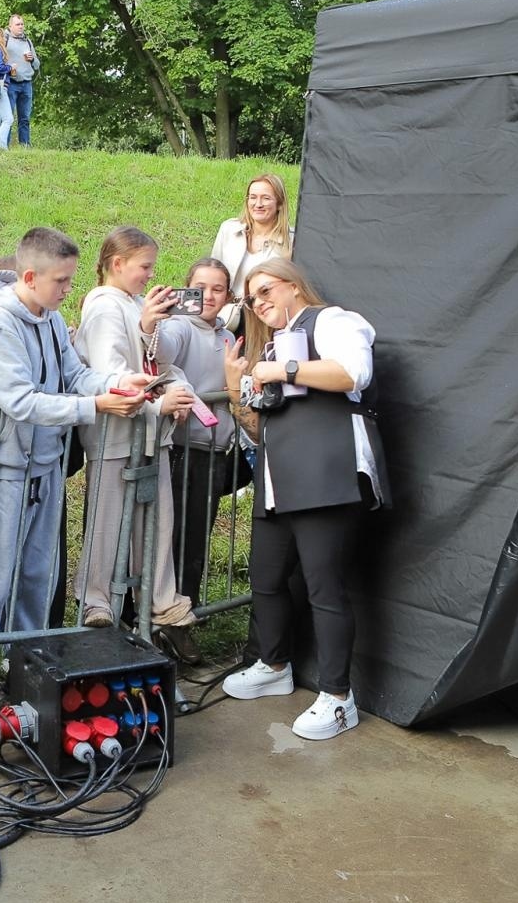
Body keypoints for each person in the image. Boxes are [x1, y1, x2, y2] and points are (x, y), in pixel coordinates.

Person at [0, 228, 149, 717]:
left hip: (45, 466)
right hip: (5, 470)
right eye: (61, 281)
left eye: (70, 280)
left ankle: (25, 668)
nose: (68, 290)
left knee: (39, 576)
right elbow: (19, 401)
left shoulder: (51, 318)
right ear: (31, 276)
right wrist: (95, 406)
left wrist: (119, 382)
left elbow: (74, 375)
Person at [220, 257, 388, 741]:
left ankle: (338, 698)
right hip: (278, 483)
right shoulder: (272, 345)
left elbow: (354, 373)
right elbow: (258, 429)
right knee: (266, 579)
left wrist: (282, 367)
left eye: (266, 290)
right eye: (251, 298)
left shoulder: (333, 320)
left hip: (325, 478)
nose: (259, 303)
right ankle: (274, 665)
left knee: (324, 589)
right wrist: (236, 385)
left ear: (293, 285)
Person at [73, 227, 202, 664]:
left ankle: (163, 607)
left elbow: (160, 362)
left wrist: (176, 389)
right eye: (144, 266)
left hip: (149, 434)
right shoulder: (103, 307)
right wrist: (159, 402)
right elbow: (111, 374)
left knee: (157, 522)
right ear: (118, 264)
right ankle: (97, 605)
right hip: (115, 437)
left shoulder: (135, 304)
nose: (150, 274)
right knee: (108, 522)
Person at [154, 256, 253, 608]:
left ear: (228, 296)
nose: (208, 296)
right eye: (200, 288)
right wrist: (154, 323)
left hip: (214, 451)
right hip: (180, 449)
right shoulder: (179, 326)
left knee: (196, 537)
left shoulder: (227, 337)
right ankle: (163, 609)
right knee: (173, 535)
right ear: (186, 290)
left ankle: (187, 607)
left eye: (217, 289)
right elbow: (162, 351)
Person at [210, 172, 294, 330]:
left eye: (266, 198)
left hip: (265, 320)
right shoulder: (229, 229)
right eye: (253, 197)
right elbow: (212, 274)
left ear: (280, 203)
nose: (258, 204)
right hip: (226, 316)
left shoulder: (292, 240)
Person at [4, 14, 40, 147]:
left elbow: (37, 65)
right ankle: (4, 146)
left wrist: (32, 59)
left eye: (22, 24)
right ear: (10, 26)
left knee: (25, 118)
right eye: (17, 24)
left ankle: (25, 146)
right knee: (8, 117)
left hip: (26, 84)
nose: (21, 27)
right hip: (11, 83)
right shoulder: (5, 39)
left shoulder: (27, 41)